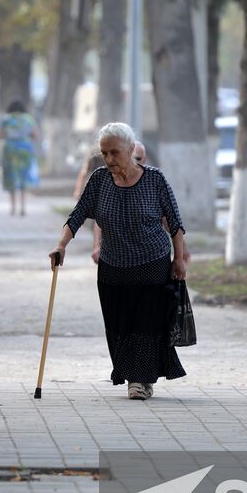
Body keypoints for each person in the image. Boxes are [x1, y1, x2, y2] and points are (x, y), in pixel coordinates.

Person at [52, 123, 189, 400]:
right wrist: (61, 245)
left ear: (130, 150)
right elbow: (78, 215)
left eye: (115, 153)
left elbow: (174, 223)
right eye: (104, 153)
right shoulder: (100, 180)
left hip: (152, 262)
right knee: (119, 324)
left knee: (145, 323)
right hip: (113, 266)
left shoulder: (154, 180)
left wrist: (179, 259)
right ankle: (134, 375)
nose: (110, 159)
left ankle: (139, 380)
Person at [74, 141, 150, 264]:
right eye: (105, 154)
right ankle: (99, 247)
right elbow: (84, 172)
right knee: (102, 220)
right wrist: (78, 191)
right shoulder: (95, 154)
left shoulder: (151, 179)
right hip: (100, 194)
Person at [0, 100, 40, 216]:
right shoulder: (28, 119)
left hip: (10, 151)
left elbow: (0, 136)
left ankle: (13, 208)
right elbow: (35, 135)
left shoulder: (6, 119)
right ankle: (23, 207)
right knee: (23, 180)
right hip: (25, 151)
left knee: (11, 179)